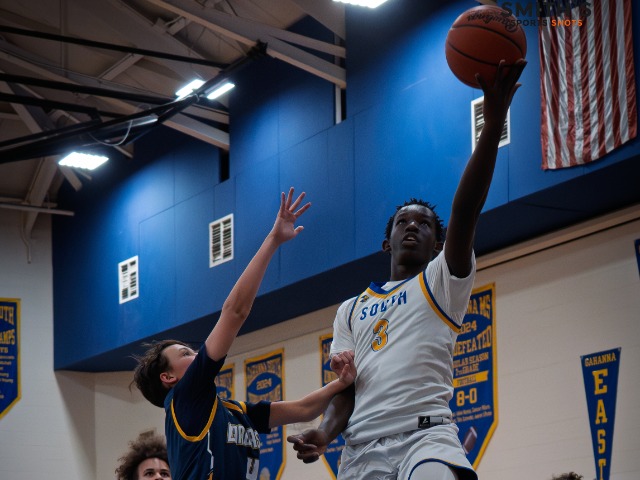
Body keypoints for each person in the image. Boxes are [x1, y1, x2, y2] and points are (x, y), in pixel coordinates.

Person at [287, 59, 527, 480]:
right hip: (361, 449)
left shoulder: (441, 282)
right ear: (387, 242)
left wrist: (491, 126)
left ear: (439, 244)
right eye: (403, 222)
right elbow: (347, 389)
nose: (413, 226)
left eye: (425, 224)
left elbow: (465, 210)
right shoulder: (350, 309)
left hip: (426, 437)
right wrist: (324, 432)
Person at [132, 188, 356, 480]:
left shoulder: (236, 412)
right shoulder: (184, 399)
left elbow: (304, 409)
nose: (197, 355)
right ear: (168, 377)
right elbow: (235, 312)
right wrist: (273, 239)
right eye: (186, 354)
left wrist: (343, 382)